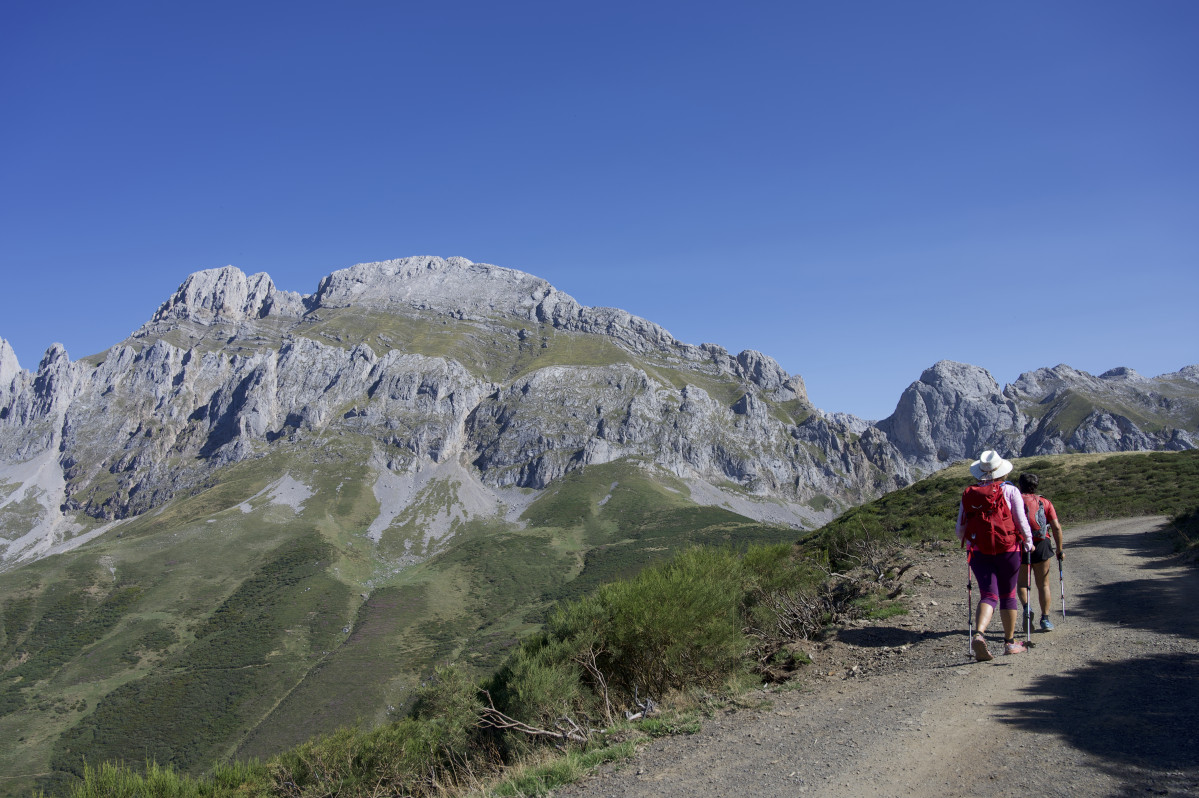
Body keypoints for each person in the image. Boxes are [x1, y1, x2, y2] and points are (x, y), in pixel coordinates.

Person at [956, 450, 1033, 661]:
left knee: (988, 595)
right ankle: (1009, 643)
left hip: (979, 551)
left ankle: (979, 634)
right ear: (1002, 471)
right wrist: (1028, 542)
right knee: (1008, 595)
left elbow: (959, 529)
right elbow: (1020, 520)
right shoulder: (1011, 491)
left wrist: (972, 542)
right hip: (1008, 550)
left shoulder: (970, 494)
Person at [1016, 472, 1064, 631]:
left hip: (1022, 545)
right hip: (1042, 544)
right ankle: (1045, 619)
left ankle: (1027, 608)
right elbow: (1056, 527)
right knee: (1043, 584)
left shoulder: (1015, 501)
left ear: (1020, 485)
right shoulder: (1045, 502)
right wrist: (1059, 550)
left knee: (1022, 583)